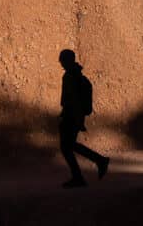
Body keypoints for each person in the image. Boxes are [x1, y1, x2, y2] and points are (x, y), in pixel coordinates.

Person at [58, 48, 110, 188]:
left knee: (66, 146)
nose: (60, 62)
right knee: (68, 146)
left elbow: (73, 100)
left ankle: (84, 173)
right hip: (72, 116)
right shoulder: (74, 75)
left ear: (68, 60)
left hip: (71, 116)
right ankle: (97, 162)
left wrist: (76, 119)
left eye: (62, 59)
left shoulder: (70, 76)